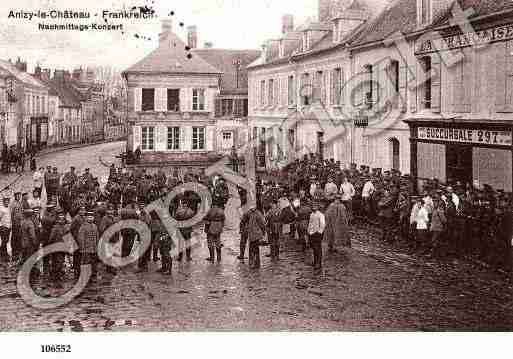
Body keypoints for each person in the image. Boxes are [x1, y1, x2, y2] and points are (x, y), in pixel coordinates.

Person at [77, 212, 100, 282]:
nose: (91, 218)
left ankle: (93, 275)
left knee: (94, 263)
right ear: (86, 218)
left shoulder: (95, 226)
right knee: (86, 263)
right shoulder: (83, 227)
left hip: (94, 248)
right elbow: (80, 238)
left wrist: (97, 246)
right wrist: (82, 248)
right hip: (86, 249)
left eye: (92, 217)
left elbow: (97, 237)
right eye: (89, 217)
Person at [244, 205, 266, 269]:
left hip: (255, 234)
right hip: (252, 234)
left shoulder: (256, 214)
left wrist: (263, 232)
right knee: (254, 248)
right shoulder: (250, 213)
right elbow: (262, 224)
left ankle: (254, 263)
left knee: (254, 249)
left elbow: (262, 224)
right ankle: (254, 263)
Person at [308, 202, 326, 272]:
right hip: (312, 233)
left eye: (315, 206)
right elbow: (310, 223)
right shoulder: (312, 214)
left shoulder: (321, 215)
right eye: (312, 206)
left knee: (318, 248)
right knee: (314, 248)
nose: (313, 207)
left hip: (317, 234)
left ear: (318, 207)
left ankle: (318, 262)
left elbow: (322, 224)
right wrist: (309, 231)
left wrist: (319, 232)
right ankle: (315, 261)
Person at [70, 206, 86, 279]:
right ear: (78, 211)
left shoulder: (84, 218)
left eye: (84, 210)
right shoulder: (76, 218)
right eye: (81, 210)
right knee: (77, 255)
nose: (83, 211)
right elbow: (71, 229)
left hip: (82, 239)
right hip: (76, 239)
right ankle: (76, 271)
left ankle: (79, 270)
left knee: (80, 255)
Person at [9, 192, 23, 262]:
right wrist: (11, 223)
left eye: (19, 195)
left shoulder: (20, 203)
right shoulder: (13, 204)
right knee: (14, 239)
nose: (18, 196)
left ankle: (18, 253)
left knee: (19, 238)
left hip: (20, 224)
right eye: (17, 195)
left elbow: (21, 214)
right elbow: (11, 214)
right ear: (15, 196)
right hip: (15, 224)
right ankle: (14, 253)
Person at [0, 197, 11, 262]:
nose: (7, 202)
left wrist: (10, 226)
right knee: (4, 240)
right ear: (4, 202)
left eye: (8, 201)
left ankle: (4, 253)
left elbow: (9, 218)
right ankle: (3, 254)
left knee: (6, 240)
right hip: (3, 227)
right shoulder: (1, 209)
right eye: (6, 201)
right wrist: (1, 226)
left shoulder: (8, 208)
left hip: (8, 227)